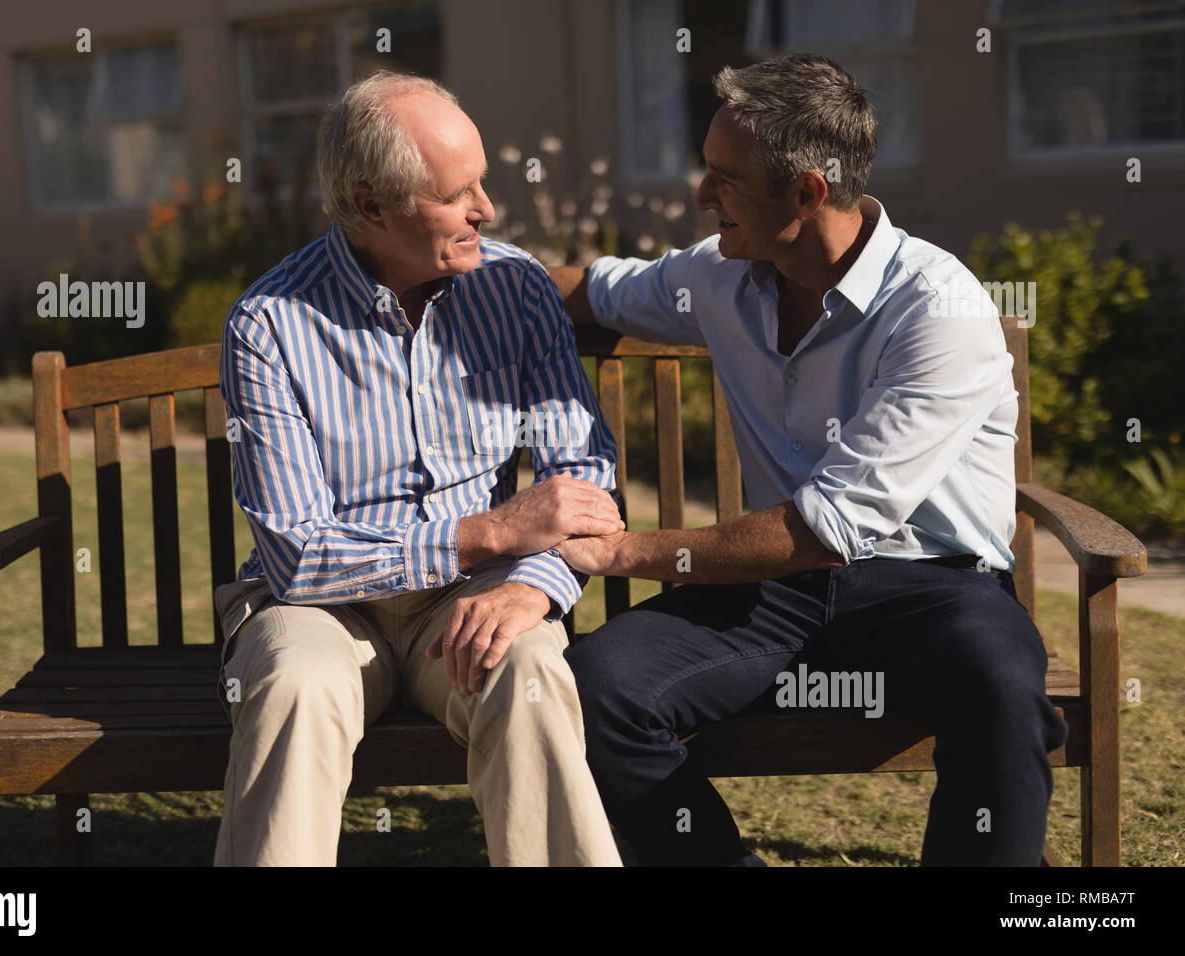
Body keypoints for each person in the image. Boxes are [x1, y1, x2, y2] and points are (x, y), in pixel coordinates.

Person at [550, 53, 1069, 867]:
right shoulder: (718, 277)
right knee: (592, 688)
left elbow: (832, 525)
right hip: (776, 595)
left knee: (1001, 689)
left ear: (808, 192)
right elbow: (590, 289)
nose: (699, 197)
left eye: (723, 178)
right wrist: (445, 269)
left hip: (932, 591)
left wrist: (626, 551)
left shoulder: (938, 307)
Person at [215, 70, 624, 866]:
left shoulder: (516, 290)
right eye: (458, 192)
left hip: (473, 598)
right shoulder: (268, 325)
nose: (488, 210)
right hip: (326, 610)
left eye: (484, 183)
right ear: (372, 206)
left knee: (530, 671)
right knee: (293, 686)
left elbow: (584, 474)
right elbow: (299, 555)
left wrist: (530, 583)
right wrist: (493, 531)